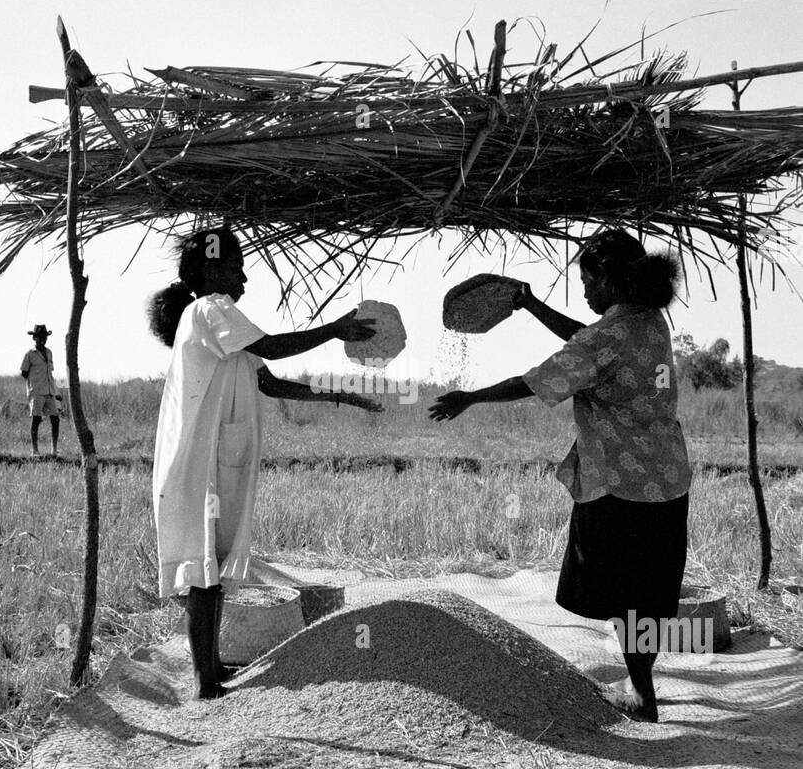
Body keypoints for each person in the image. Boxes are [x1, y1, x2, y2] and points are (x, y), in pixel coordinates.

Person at [429, 228, 691, 722]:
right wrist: (530, 305)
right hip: (669, 479)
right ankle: (643, 686)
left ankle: (642, 696)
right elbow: (587, 340)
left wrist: (470, 397)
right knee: (649, 590)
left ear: (609, 279)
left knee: (623, 590)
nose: (587, 293)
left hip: (619, 483)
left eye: (589, 282)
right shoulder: (649, 320)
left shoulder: (608, 334)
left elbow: (538, 378)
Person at [148, 226, 381, 700]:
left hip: (215, 464)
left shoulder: (227, 326)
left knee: (210, 570)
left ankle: (210, 670)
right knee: (202, 572)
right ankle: (204, 682)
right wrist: (335, 329)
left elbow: (271, 381)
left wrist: (339, 396)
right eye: (236, 267)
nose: (244, 277)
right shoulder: (210, 310)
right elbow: (273, 347)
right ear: (211, 271)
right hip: (199, 467)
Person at [20, 325, 61, 458]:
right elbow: (24, 373)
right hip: (36, 391)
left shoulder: (49, 352)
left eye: (44, 337)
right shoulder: (29, 354)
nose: (42, 340)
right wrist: (34, 384)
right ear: (34, 338)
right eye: (40, 337)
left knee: (55, 419)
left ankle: (54, 450)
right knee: (36, 419)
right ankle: (35, 451)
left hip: (49, 391)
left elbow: (50, 372)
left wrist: (56, 391)